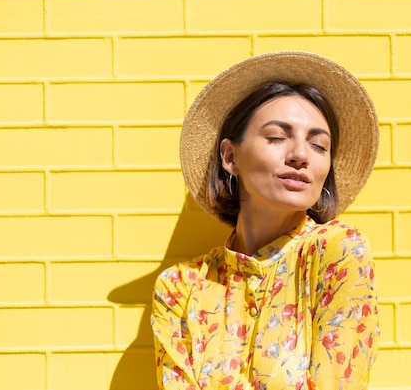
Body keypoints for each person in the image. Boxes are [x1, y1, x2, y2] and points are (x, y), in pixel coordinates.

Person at [151, 51, 380, 390]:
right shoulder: (180, 288)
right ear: (230, 157)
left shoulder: (337, 252)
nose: (301, 156)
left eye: (319, 145)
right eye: (276, 137)